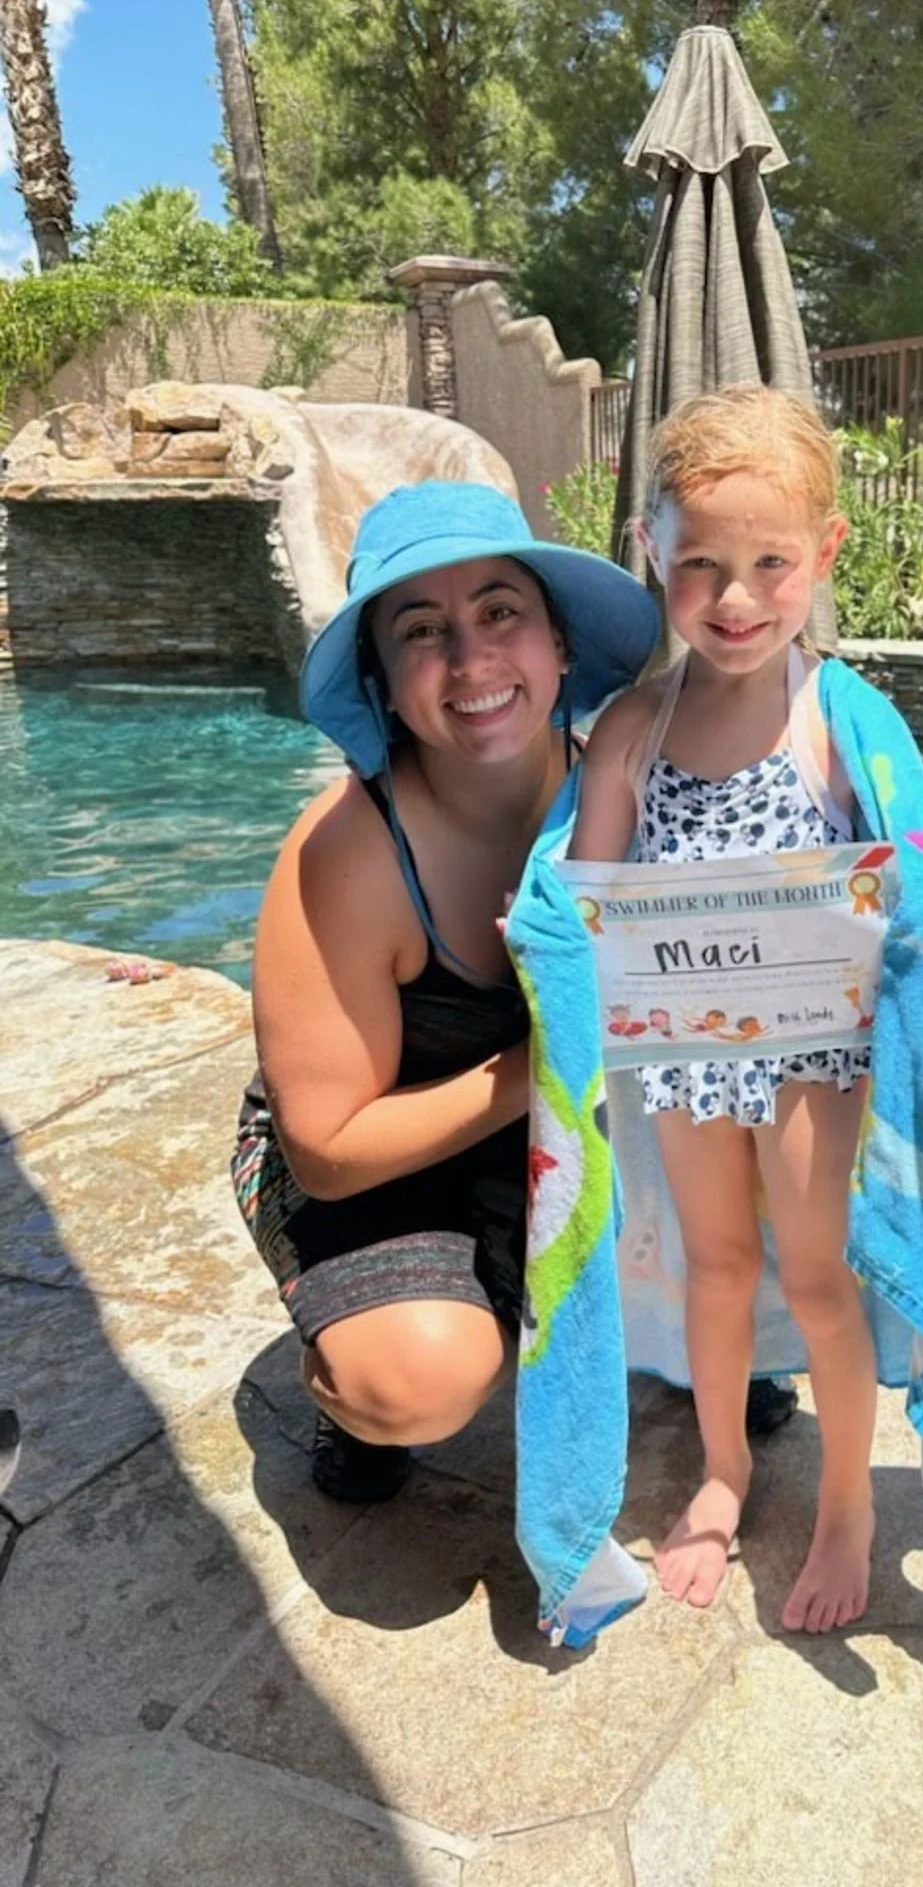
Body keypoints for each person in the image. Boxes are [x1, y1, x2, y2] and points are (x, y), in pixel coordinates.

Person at [231, 481, 660, 1502]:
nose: (471, 661)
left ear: (558, 642)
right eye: (422, 630)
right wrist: (553, 1049)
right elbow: (329, 1151)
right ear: (381, 680)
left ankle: (682, 1331)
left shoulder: (635, 795)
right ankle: (359, 1378)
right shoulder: (351, 853)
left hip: (563, 1133)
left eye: (500, 611)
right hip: (383, 1160)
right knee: (420, 1377)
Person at [569, 387, 877, 1634]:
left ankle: (848, 1500)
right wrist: (544, 945)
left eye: (769, 564)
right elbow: (585, 894)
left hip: (809, 1053)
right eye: (700, 564)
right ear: (651, 550)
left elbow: (922, 866)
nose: (734, 597)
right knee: (717, 1263)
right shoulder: (632, 729)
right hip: (690, 1054)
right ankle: (725, 1466)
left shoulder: (837, 716)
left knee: (813, 1270)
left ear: (826, 554)